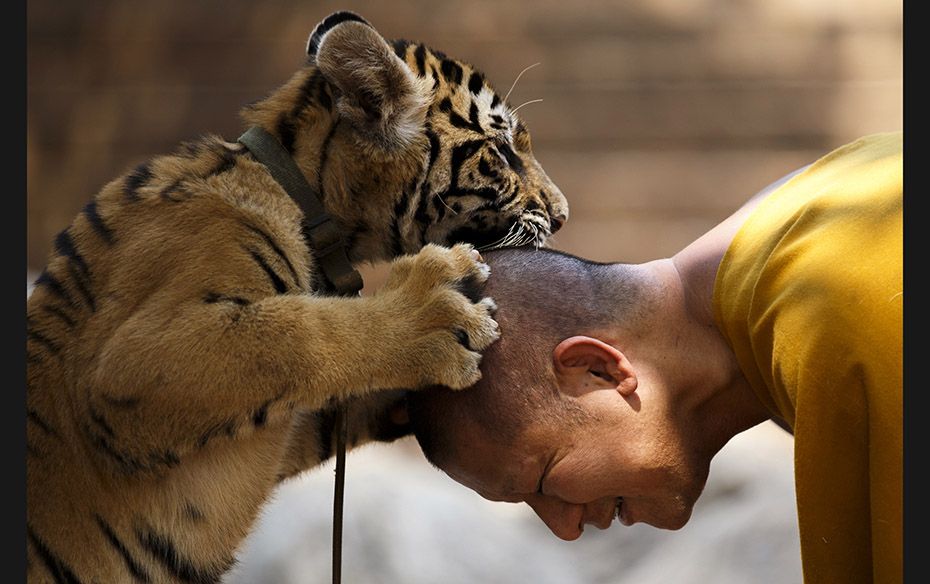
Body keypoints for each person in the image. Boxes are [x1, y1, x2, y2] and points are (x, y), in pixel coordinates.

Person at [406, 132, 902, 583]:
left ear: (597, 369)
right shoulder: (807, 216)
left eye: (542, 482)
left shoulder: (845, 310)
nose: (566, 529)